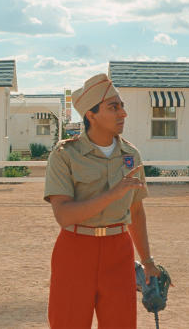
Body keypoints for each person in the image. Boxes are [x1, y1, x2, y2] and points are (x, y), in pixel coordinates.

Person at [44, 73, 159, 328]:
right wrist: (112, 194)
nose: (123, 114)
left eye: (122, 106)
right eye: (113, 107)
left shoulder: (131, 154)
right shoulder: (65, 155)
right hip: (75, 250)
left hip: (119, 251)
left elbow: (136, 211)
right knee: (68, 323)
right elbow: (63, 215)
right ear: (91, 115)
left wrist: (148, 262)